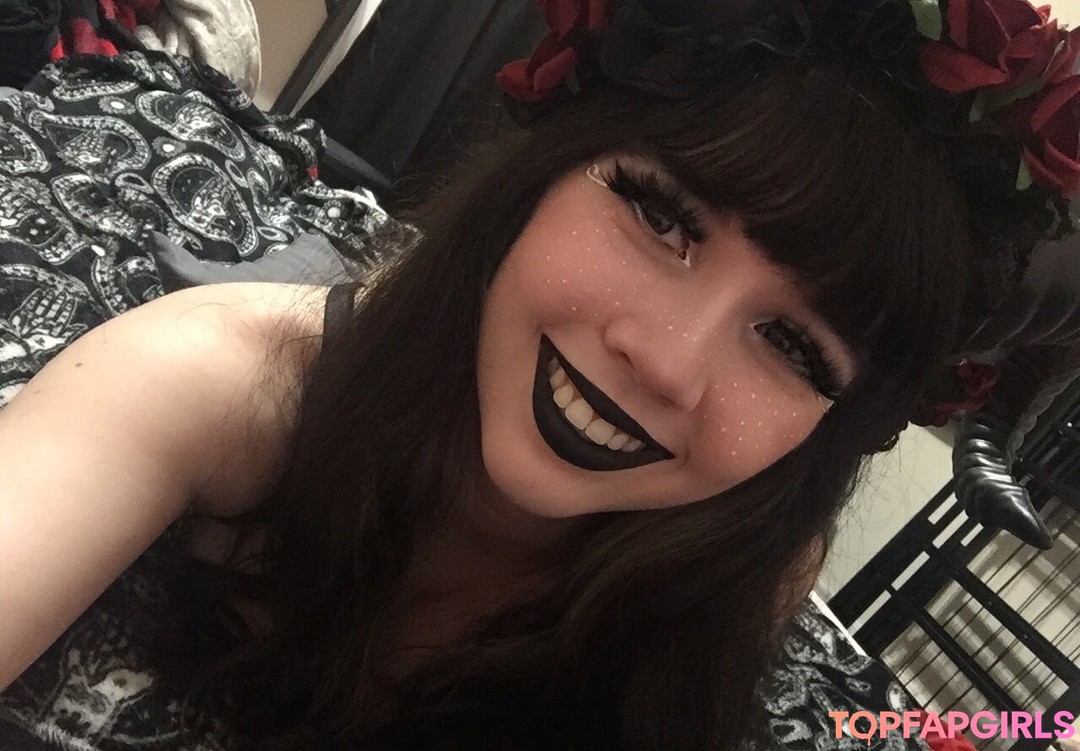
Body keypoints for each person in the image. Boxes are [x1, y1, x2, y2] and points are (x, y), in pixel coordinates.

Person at [1, 0, 1077, 748]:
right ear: (540, 177)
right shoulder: (207, 375)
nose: (666, 360)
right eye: (661, 216)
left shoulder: (751, 557)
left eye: (794, 347)